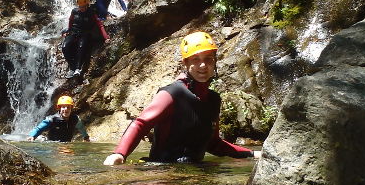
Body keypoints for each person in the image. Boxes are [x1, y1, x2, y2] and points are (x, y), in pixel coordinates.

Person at [103, 31, 260, 165]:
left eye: (208, 59)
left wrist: (251, 154)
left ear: (215, 62)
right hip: (163, 172)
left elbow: (213, 144)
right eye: (196, 60)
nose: (203, 65)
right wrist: (120, 154)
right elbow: (140, 124)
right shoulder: (172, 94)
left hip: (196, 174)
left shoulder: (213, 100)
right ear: (186, 63)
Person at [62, 0, 109, 76]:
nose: (81, 8)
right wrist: (68, 31)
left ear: (87, 5)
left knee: (81, 47)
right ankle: (72, 68)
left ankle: (78, 68)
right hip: (73, 32)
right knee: (65, 47)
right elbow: (70, 21)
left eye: (83, 7)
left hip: (84, 33)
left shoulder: (91, 12)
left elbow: (100, 25)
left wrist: (105, 37)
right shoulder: (74, 11)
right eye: (80, 7)